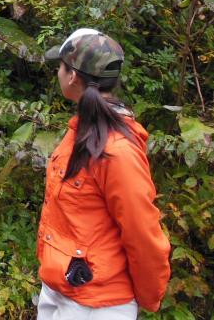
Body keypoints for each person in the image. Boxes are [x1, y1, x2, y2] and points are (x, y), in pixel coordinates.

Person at [37, 29, 171, 318]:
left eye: (60, 66)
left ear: (72, 76)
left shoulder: (117, 150)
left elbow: (142, 231)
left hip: (98, 304)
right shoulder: (82, 131)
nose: (58, 73)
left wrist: (148, 296)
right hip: (61, 287)